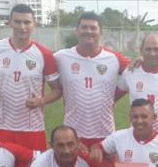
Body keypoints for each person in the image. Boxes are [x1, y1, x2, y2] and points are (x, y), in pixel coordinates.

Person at [0, 4, 61, 154]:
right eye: (17, 22)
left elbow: (57, 90)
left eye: (27, 22)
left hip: (32, 126)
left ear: (34, 24)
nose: (22, 27)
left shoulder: (44, 54)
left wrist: (41, 101)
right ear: (10, 23)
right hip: (2, 124)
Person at [51, 12, 131, 149]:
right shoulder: (60, 57)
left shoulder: (114, 58)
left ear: (101, 32)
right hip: (72, 135)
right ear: (77, 31)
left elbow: (140, 71)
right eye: (84, 27)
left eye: (93, 28)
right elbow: (37, 69)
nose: (88, 31)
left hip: (105, 134)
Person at [89, 98, 158, 165]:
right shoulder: (118, 137)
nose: (139, 121)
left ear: (154, 118)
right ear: (130, 118)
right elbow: (98, 147)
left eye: (144, 116)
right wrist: (96, 150)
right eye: (135, 117)